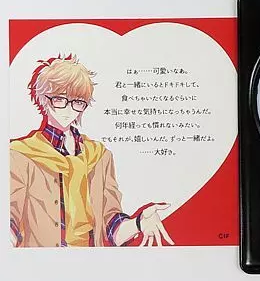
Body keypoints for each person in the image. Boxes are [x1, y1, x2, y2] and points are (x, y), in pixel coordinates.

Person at [10, 54, 173, 247]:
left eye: (77, 102)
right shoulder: (20, 155)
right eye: (60, 99)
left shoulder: (100, 155)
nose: (68, 110)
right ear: (43, 99)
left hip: (91, 260)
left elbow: (111, 227)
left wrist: (138, 223)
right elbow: (9, 221)